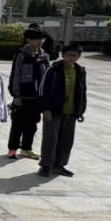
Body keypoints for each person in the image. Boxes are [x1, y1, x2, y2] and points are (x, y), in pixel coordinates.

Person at [39, 42, 87, 178]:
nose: (71, 58)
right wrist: (46, 109)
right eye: (69, 55)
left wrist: (81, 110)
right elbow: (43, 90)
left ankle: (59, 165)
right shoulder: (53, 69)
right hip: (54, 111)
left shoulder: (80, 71)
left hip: (71, 111)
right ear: (63, 55)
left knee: (67, 140)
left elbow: (82, 91)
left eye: (75, 55)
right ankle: (46, 165)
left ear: (78, 56)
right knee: (50, 139)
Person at [6, 29, 49, 160]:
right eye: (36, 39)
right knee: (17, 123)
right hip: (23, 97)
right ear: (28, 40)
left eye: (41, 39)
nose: (39, 42)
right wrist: (16, 95)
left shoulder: (44, 56)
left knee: (32, 124)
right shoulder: (21, 55)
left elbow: (47, 76)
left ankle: (26, 148)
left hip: (37, 97)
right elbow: (15, 76)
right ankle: (12, 149)